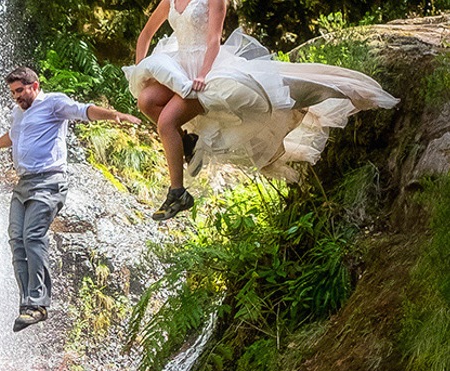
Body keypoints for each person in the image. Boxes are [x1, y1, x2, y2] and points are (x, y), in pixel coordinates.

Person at [125, 0, 399, 221]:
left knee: (166, 123)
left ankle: (178, 193)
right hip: (179, 68)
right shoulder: (170, 1)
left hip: (206, 71)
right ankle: (186, 141)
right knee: (146, 100)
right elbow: (145, 35)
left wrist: (204, 75)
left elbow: (213, 41)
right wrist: (142, 72)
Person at [0, 67, 142, 332]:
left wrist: (113, 115)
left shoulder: (53, 103)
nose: (16, 97)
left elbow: (84, 110)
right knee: (16, 240)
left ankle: (38, 304)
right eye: (13, 92)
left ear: (34, 86)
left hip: (49, 181)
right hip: (24, 183)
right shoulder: (18, 113)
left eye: (20, 91)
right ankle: (27, 304)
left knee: (33, 237)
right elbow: (14, 136)